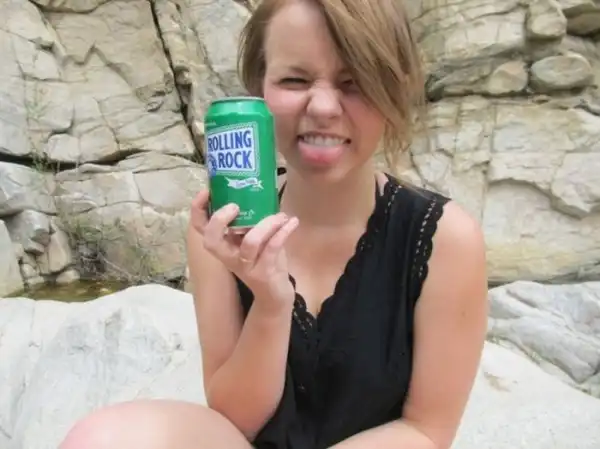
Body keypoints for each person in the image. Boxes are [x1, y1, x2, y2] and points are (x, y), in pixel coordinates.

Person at [59, 0, 488, 448]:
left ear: (392, 90)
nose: (323, 107)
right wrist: (270, 303)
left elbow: (426, 431)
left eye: (354, 81)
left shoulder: (444, 239)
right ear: (259, 91)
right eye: (295, 81)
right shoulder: (221, 228)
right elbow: (235, 422)